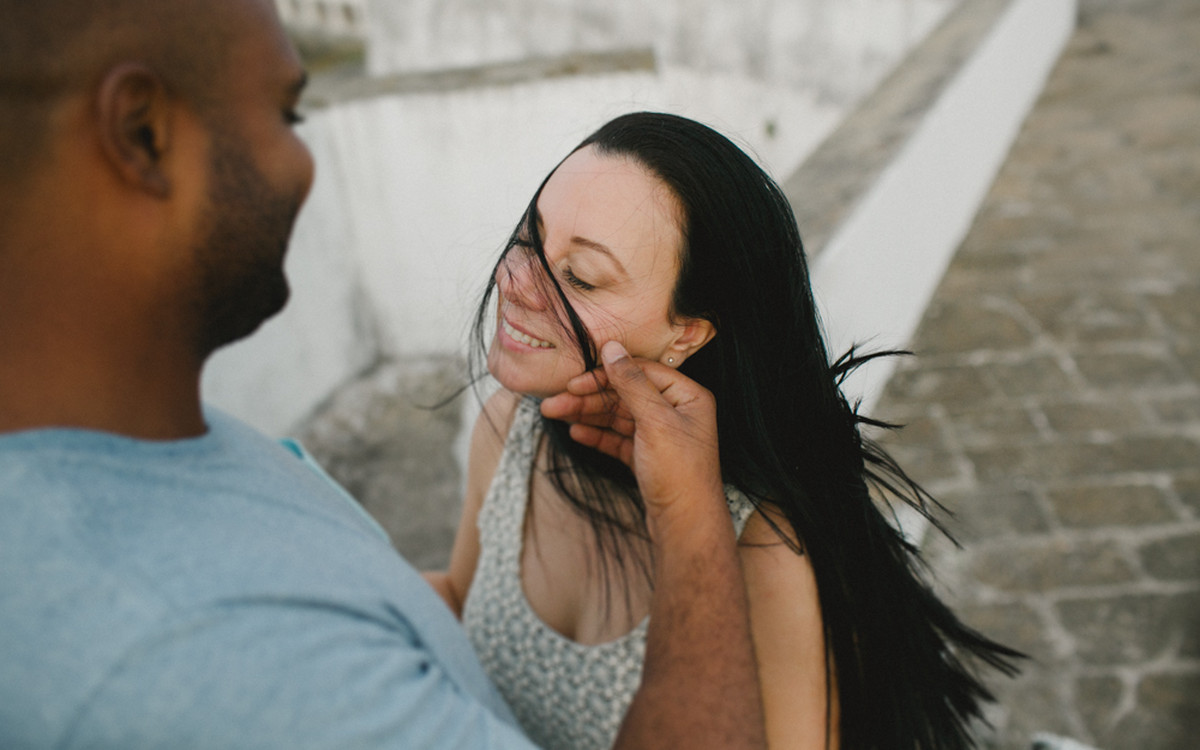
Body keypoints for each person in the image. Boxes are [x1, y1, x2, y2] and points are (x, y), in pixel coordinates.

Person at [0, 3, 766, 748]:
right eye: (288, 115)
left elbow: (417, 605)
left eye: (584, 274)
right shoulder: (199, 659)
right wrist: (691, 519)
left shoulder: (158, 446)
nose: (307, 160)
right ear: (143, 133)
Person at [424, 112, 1023, 750]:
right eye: (530, 234)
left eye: (582, 276)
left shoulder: (764, 547)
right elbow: (459, 598)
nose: (516, 281)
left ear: (687, 334)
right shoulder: (508, 429)